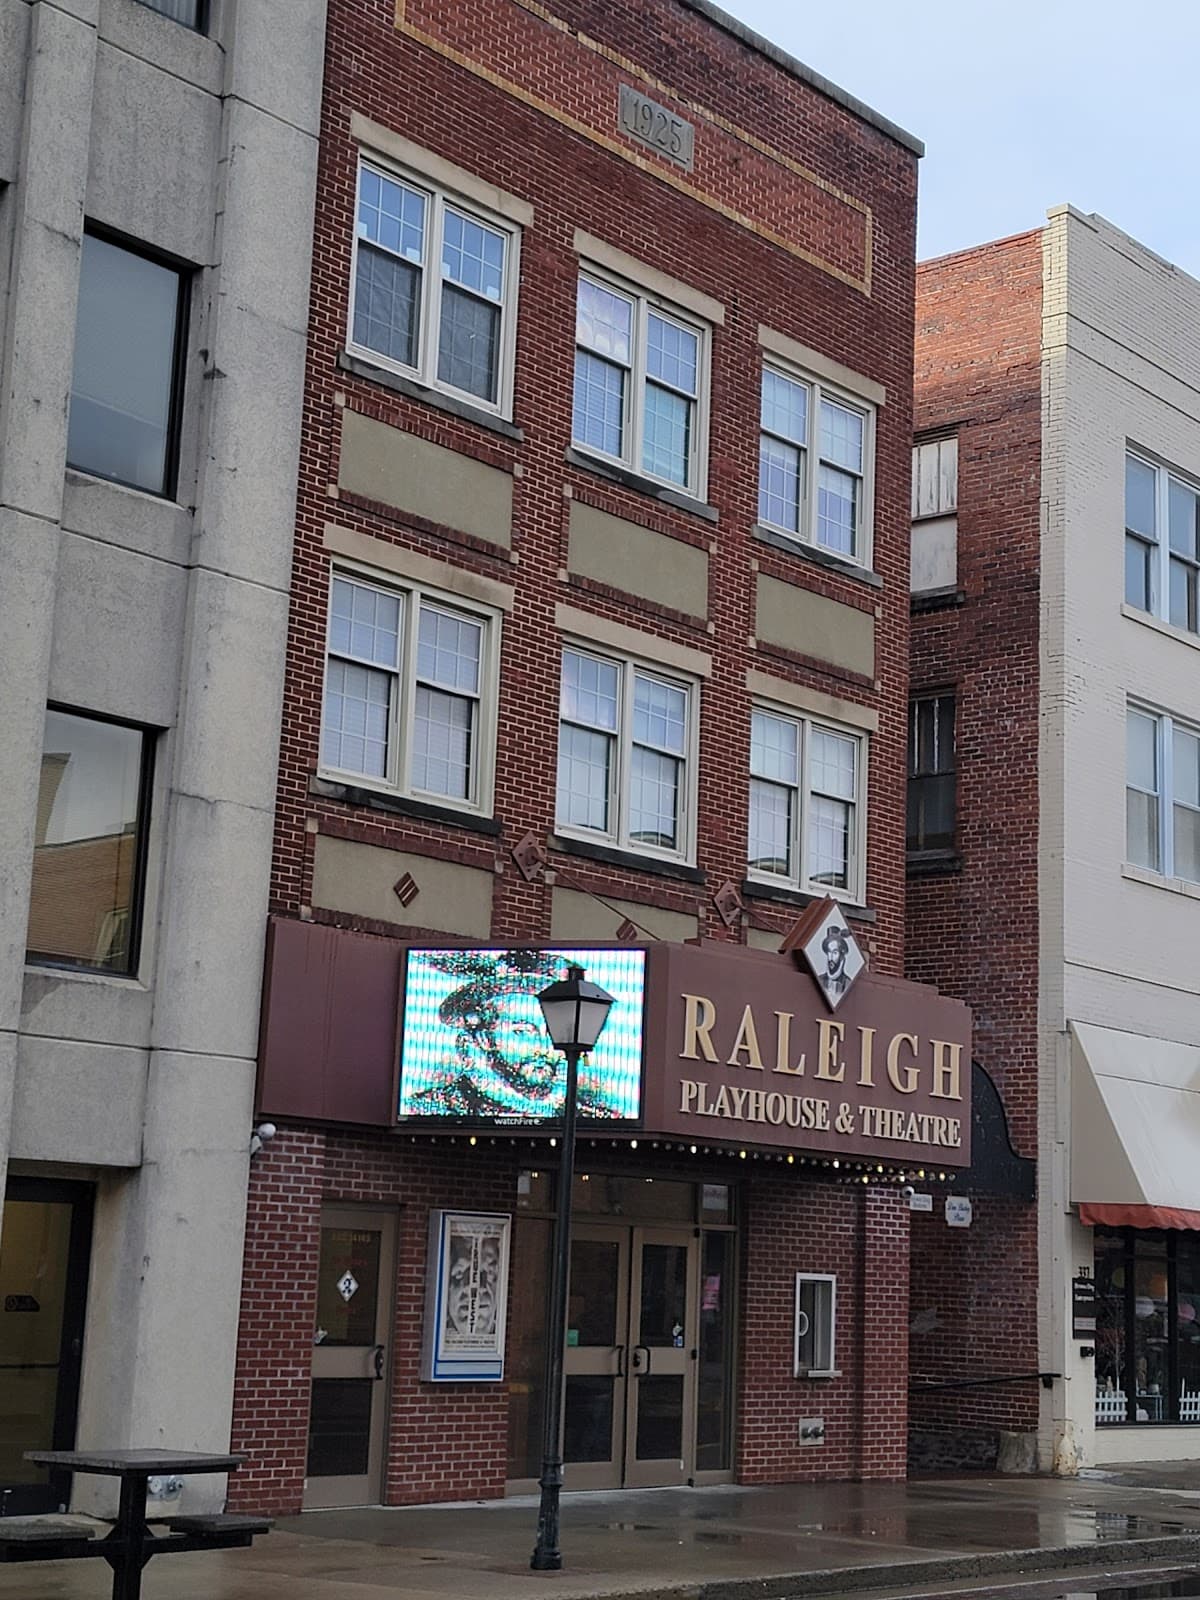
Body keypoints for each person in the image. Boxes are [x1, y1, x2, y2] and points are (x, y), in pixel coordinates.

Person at [819, 923, 852, 1003]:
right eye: (829, 952)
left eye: (835, 953)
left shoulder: (848, 984)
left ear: (841, 955)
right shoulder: (819, 980)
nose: (830, 958)